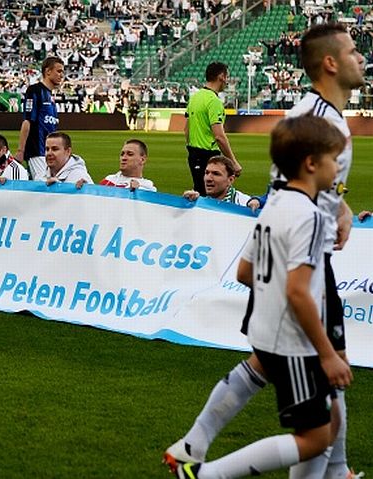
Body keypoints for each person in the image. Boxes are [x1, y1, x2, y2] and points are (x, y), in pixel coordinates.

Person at [165, 23, 365, 479]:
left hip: (296, 259)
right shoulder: (318, 124)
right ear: (331, 62)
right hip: (299, 269)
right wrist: (263, 263)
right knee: (319, 389)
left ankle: (194, 447)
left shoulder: (316, 120)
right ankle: (201, 465)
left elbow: (298, 190)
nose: (362, 58)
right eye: (354, 51)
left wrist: (341, 208)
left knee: (299, 376)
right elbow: (293, 194)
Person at [185, 62, 242, 196]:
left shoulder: (195, 97)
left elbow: (186, 130)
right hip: (207, 156)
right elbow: (219, 136)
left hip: (193, 154)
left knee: (199, 193)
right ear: (221, 76)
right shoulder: (214, 101)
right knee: (211, 198)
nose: (227, 81)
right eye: (226, 77)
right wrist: (233, 162)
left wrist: (192, 150)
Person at [16, 56, 65, 179]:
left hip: (49, 152)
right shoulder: (35, 91)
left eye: (62, 72)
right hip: (37, 151)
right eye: (59, 71)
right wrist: (21, 151)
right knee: (44, 186)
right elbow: (27, 121)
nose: (62, 75)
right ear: (48, 71)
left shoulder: (50, 96)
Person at [182, 156, 259, 210]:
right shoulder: (199, 203)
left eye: (216, 174)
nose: (208, 178)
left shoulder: (245, 204)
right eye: (207, 173)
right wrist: (187, 205)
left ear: (231, 180)